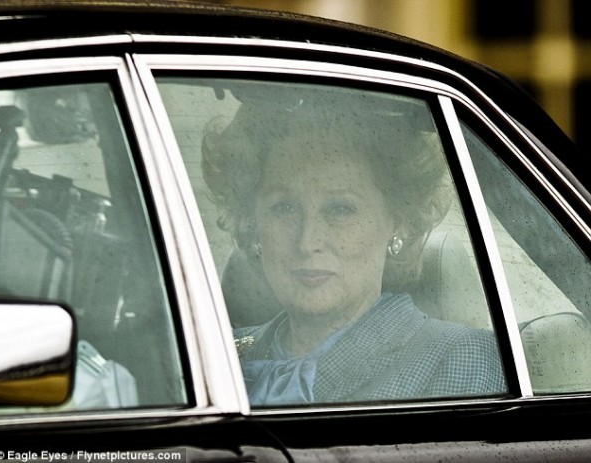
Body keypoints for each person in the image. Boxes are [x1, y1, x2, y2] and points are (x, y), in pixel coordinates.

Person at [202, 84, 507, 406]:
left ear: (398, 220)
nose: (307, 241)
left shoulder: (464, 360)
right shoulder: (213, 354)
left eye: (340, 209)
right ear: (253, 222)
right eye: (284, 207)